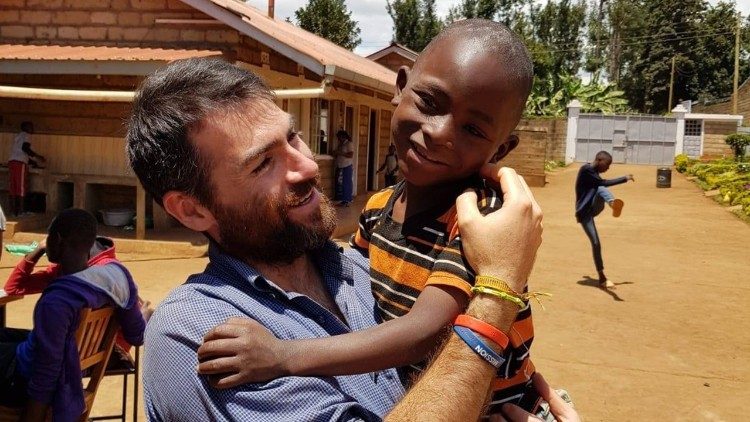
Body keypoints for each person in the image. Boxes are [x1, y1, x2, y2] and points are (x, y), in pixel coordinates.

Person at [127, 57, 575, 421]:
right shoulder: (199, 336)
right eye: (263, 163)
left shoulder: (357, 269)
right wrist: (497, 289)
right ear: (191, 209)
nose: (306, 166)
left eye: (293, 137)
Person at [0, 209, 146, 421]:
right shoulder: (117, 278)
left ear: (57, 240)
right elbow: (137, 335)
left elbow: (46, 371)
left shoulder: (56, 300)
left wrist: (33, 416)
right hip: (75, 364)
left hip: (24, 375)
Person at [3, 234, 150, 355]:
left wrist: (37, 251)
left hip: (78, 356)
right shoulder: (113, 273)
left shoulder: (109, 277)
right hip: (78, 352)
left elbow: (135, 333)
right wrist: (143, 317)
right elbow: (13, 288)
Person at [575, 151, 634, 289]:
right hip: (584, 213)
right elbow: (604, 182)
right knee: (596, 243)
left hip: (595, 207)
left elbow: (601, 183)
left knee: (599, 187)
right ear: (599, 160)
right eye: (607, 165)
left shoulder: (594, 174)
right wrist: (624, 178)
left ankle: (612, 203)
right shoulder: (586, 170)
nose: (608, 168)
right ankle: (602, 277)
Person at [8, 122, 45, 216]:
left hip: (12, 162)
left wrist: (33, 162)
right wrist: (38, 156)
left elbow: (20, 152)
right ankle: (21, 211)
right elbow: (25, 149)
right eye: (31, 127)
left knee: (13, 187)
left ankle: (12, 211)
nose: (32, 128)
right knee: (21, 187)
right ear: (26, 128)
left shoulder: (18, 137)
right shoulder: (27, 135)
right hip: (19, 163)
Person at [334, 129, 354, 207]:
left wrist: (340, 153)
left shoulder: (349, 144)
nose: (338, 139)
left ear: (343, 136)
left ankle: (347, 200)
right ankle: (342, 200)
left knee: (346, 183)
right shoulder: (341, 144)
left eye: (339, 137)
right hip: (340, 166)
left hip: (347, 166)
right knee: (341, 184)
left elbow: (350, 155)